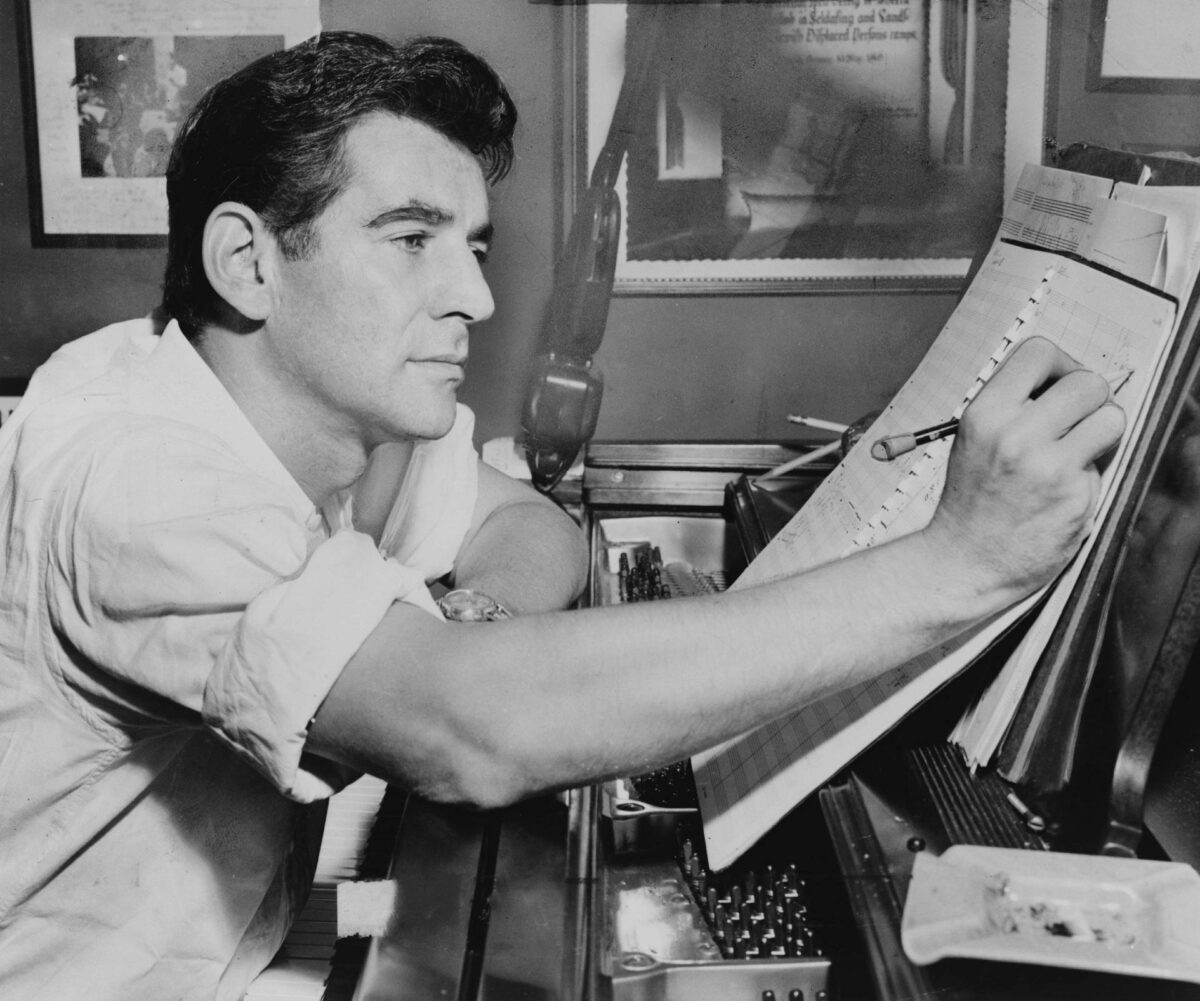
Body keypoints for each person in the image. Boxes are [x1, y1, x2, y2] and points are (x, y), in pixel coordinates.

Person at [0, 30, 1124, 1001]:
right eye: (410, 240)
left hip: (239, 938)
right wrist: (958, 565)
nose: (478, 298)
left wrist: (468, 624)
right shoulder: (138, 477)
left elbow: (530, 527)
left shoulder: (341, 405)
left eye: (475, 247)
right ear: (249, 260)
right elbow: (469, 734)